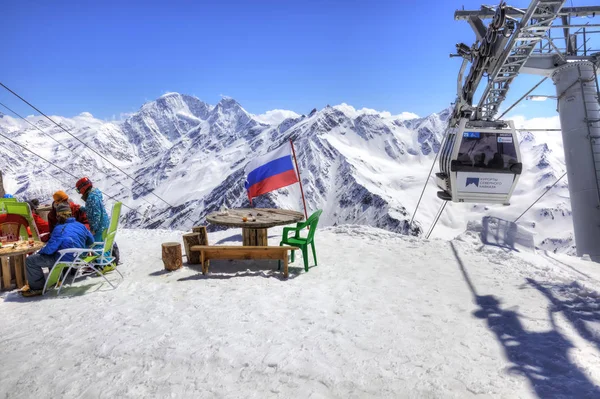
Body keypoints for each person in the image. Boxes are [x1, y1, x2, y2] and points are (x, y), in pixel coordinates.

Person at [21, 202, 94, 297]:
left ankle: (37, 288)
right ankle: (56, 280)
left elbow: (50, 249)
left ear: (59, 216)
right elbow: (91, 241)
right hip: (80, 257)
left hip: (66, 258)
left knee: (31, 260)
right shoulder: (81, 226)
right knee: (55, 254)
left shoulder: (59, 229)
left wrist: (41, 252)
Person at [76, 177, 119, 266]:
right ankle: (108, 262)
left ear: (83, 188)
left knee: (94, 245)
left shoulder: (91, 197)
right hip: (104, 224)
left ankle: (105, 265)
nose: (80, 193)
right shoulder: (95, 194)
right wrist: (81, 208)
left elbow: (96, 214)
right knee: (102, 245)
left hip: (99, 226)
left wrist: (93, 229)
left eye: (79, 190)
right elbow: (92, 209)